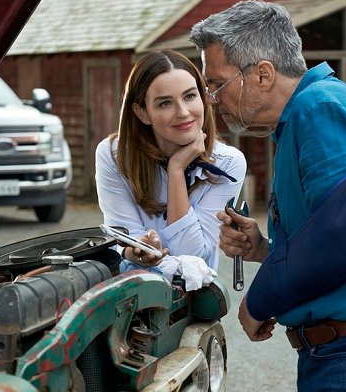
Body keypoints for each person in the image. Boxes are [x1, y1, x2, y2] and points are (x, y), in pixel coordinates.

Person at [190, 0, 346, 392]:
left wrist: (260, 300)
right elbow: (333, 230)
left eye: (216, 84)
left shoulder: (321, 109)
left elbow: (343, 235)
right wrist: (262, 248)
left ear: (261, 73)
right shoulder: (308, 114)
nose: (211, 100)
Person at [95, 49, 246, 290]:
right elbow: (123, 238)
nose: (183, 112)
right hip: (133, 291)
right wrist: (137, 251)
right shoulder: (114, 155)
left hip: (193, 303)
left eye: (189, 96)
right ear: (142, 112)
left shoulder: (228, 162)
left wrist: (177, 170)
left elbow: (194, 258)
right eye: (165, 103)